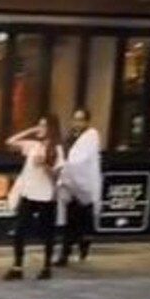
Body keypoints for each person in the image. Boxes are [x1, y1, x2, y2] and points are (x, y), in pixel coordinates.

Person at [3, 115, 64, 281]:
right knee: (19, 230)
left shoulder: (57, 149)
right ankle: (17, 266)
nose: (40, 128)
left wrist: (44, 164)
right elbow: (10, 141)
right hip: (29, 194)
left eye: (44, 126)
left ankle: (46, 267)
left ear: (52, 128)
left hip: (46, 196)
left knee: (47, 233)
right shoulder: (33, 145)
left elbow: (56, 177)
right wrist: (31, 130)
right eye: (39, 125)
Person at [55, 108, 102, 266]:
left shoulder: (91, 136)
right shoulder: (69, 137)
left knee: (83, 222)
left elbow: (82, 160)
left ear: (87, 122)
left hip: (85, 185)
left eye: (81, 119)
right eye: (75, 119)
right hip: (71, 185)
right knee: (70, 222)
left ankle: (84, 244)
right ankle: (65, 255)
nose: (77, 123)